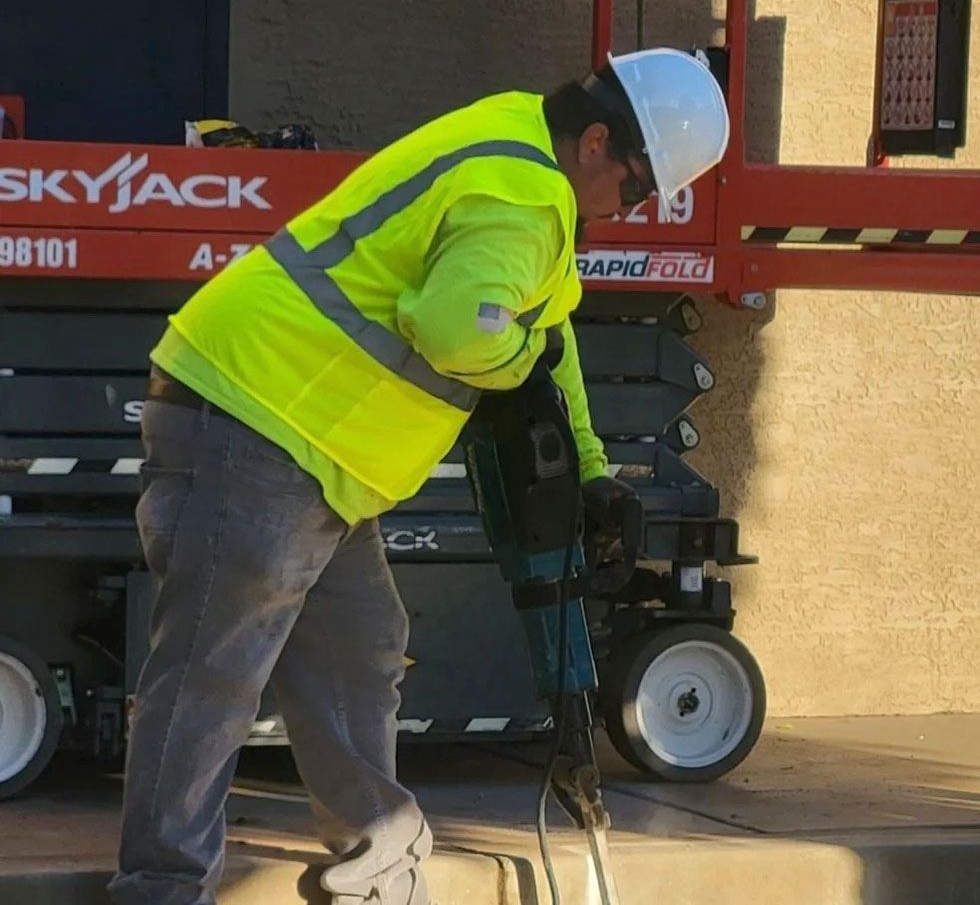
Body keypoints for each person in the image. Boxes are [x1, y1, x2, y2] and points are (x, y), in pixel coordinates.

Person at [111, 49, 731, 905]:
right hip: (258, 418)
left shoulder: (518, 144)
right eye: (634, 189)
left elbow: (550, 339)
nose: (627, 212)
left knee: (359, 652)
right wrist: (509, 368)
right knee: (213, 673)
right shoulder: (521, 195)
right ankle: (161, 889)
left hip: (316, 449)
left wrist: (589, 469)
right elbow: (457, 330)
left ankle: (379, 868)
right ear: (596, 142)